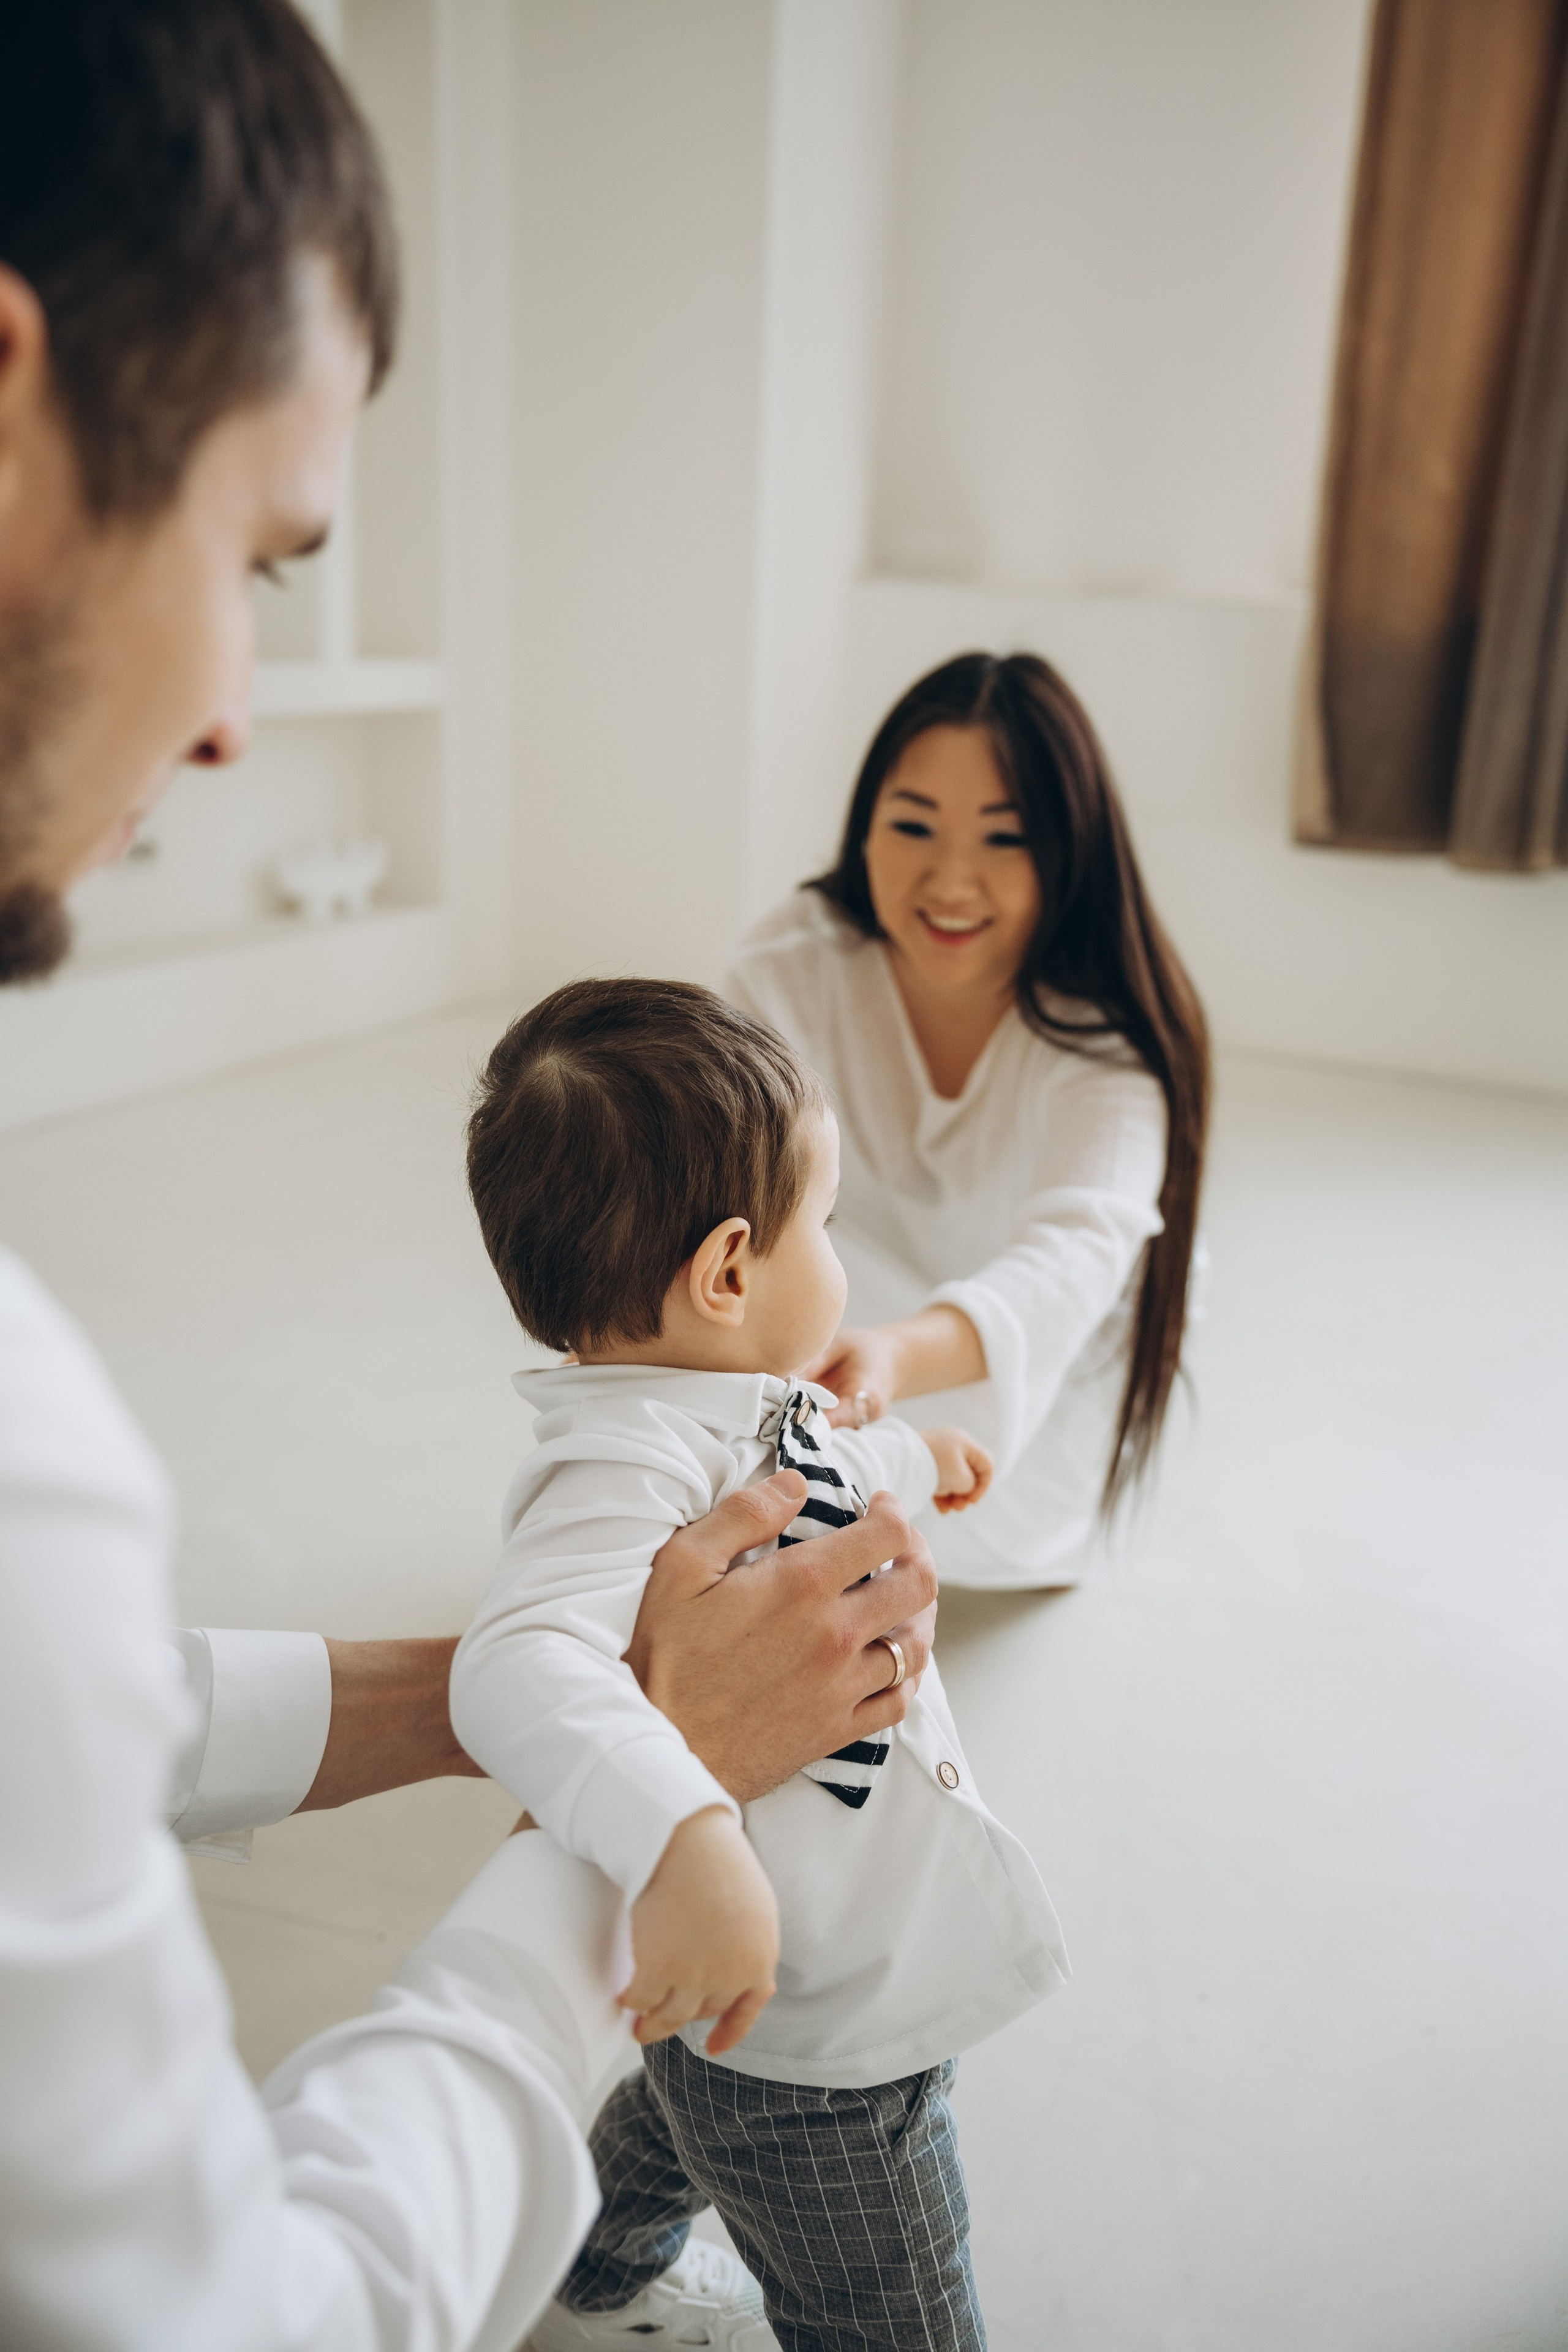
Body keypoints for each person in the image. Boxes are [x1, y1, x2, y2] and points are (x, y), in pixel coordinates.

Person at [0, 7, 937, 2346]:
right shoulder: (39, 1465)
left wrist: (598, 1690)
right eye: (262, 547)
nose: (235, 709)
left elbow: (69, 1703)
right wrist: (649, 1827)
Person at [450, 978, 1065, 2352]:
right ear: (727, 1272)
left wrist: (911, 1454)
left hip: (773, 1970)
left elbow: (806, 1455)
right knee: (884, 2297)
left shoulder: (711, 1394)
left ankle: (589, 2272)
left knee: (678, 2106)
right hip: (812, 2015)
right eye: (826, 1224)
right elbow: (511, 1664)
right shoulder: (618, 1467)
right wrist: (684, 1844)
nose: (837, 1254)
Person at [726, 652, 1211, 1589]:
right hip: (852, 1297)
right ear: (864, 829)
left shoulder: (1105, 1042)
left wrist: (900, 1356)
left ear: (1071, 853)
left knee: (955, 1509)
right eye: (913, 826)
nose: (952, 880)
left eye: (1006, 839)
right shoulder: (792, 968)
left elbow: (1072, 1255)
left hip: (1034, 1352)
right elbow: (720, 1203)